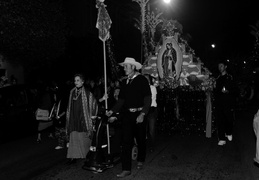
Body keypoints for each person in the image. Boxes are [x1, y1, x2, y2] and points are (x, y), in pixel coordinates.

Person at [106, 57, 151, 178]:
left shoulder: (142, 80)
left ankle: (141, 159)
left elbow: (148, 99)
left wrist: (142, 114)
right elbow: (121, 100)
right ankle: (126, 169)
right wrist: (112, 111)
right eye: (124, 67)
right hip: (127, 116)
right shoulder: (124, 82)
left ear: (133, 67)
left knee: (141, 139)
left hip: (139, 114)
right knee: (126, 142)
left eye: (126, 66)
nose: (124, 69)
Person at [66, 73, 98, 164]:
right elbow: (69, 105)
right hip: (74, 118)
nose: (76, 82)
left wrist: (92, 115)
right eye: (75, 80)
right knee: (74, 136)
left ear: (82, 81)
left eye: (78, 80)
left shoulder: (87, 93)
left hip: (83, 118)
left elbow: (94, 103)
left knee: (83, 137)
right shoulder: (72, 92)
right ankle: (73, 156)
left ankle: (86, 155)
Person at [214, 60, 237, 146]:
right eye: (219, 66)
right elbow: (216, 91)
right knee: (220, 120)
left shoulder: (230, 77)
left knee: (229, 119)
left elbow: (235, 90)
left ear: (225, 67)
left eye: (221, 66)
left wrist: (228, 91)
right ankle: (222, 138)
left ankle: (229, 132)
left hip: (228, 103)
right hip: (219, 103)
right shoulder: (217, 78)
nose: (220, 68)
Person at [144, 74, 158, 152]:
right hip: (144, 110)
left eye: (147, 78)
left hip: (151, 110)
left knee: (151, 130)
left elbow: (149, 99)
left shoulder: (153, 88)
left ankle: (152, 146)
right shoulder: (141, 88)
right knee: (143, 129)